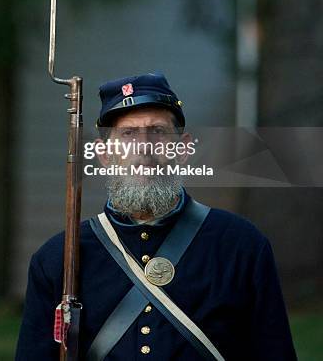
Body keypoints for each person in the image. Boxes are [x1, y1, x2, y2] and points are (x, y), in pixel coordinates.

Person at [15, 72, 297, 360]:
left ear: (184, 148)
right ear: (103, 154)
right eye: (128, 134)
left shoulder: (241, 246)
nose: (144, 148)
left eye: (158, 132)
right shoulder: (57, 258)